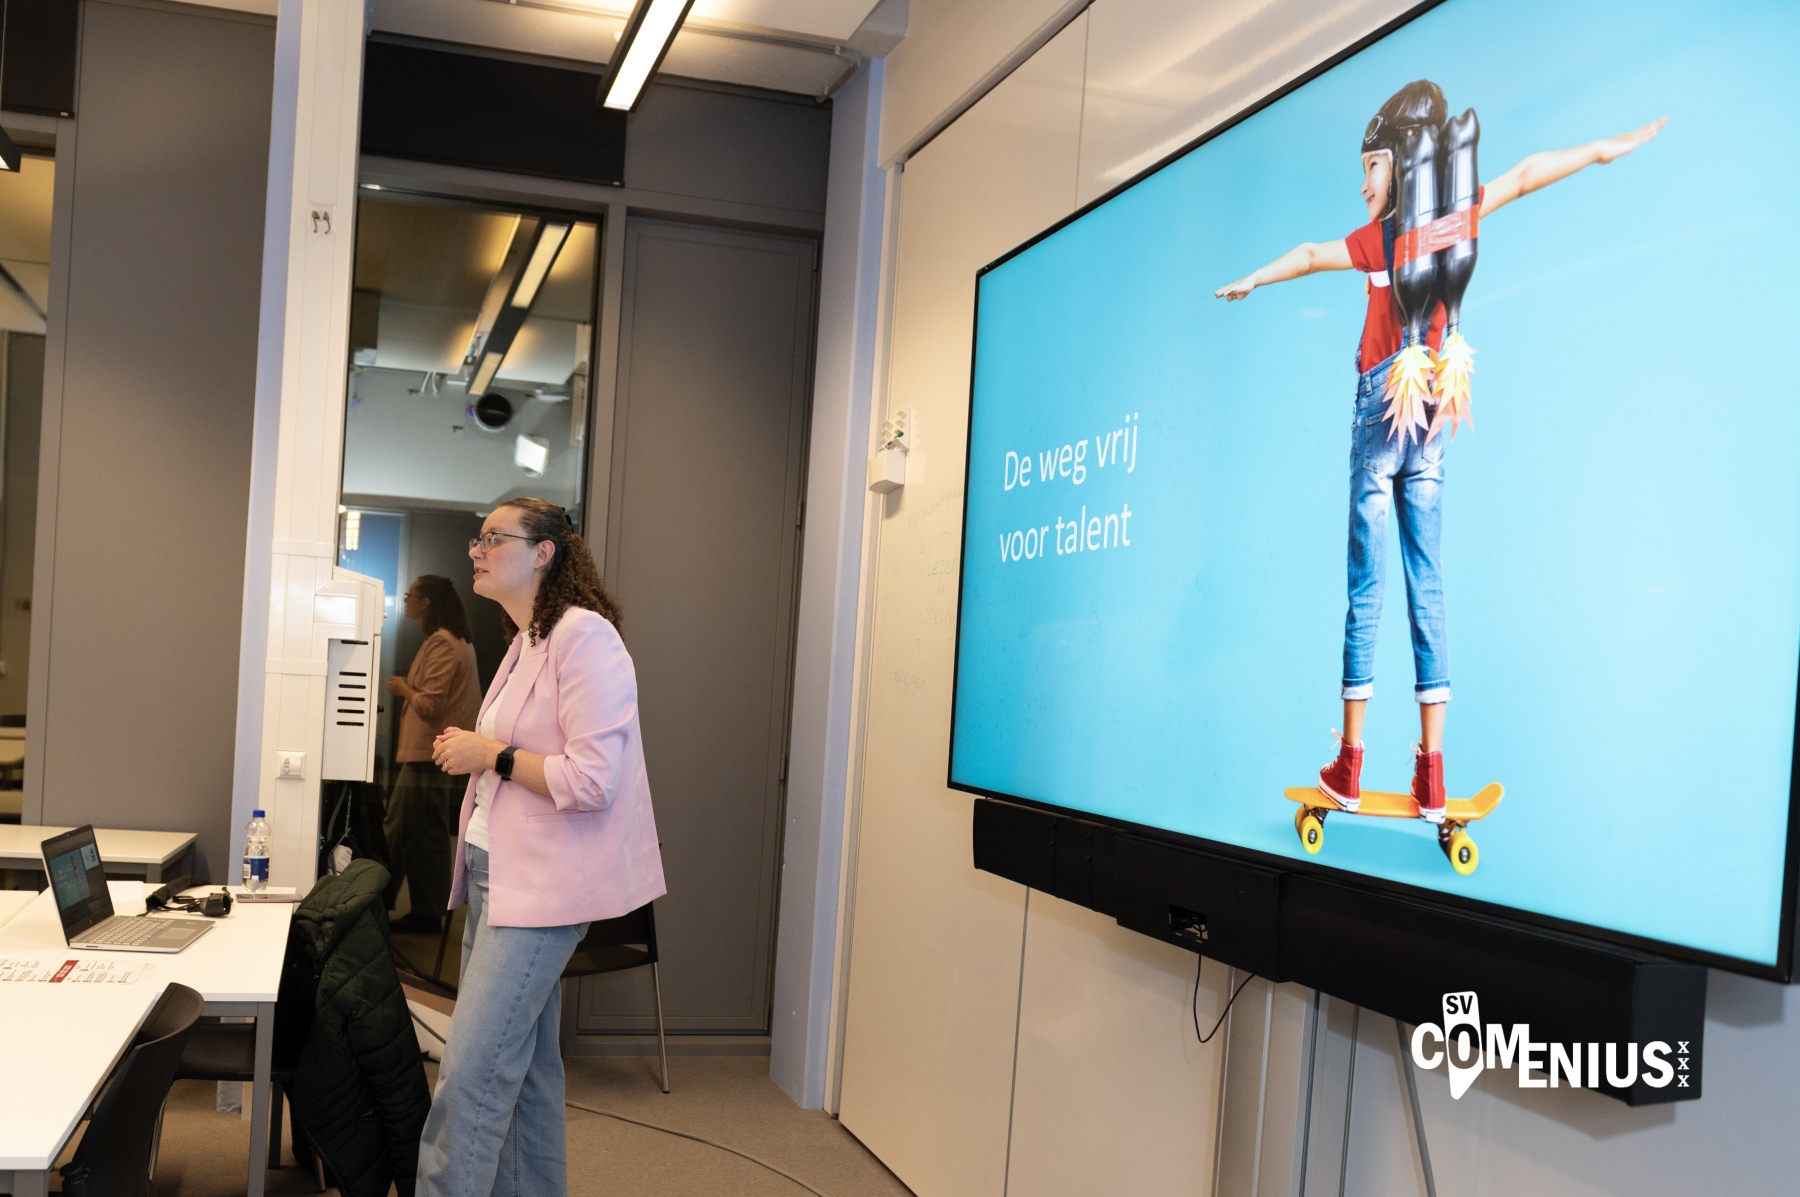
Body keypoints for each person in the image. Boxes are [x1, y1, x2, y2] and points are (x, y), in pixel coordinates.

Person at [1214, 81, 1662, 821]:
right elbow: (1525, 175)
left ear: (1400, 163)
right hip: (1432, 413)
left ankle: (1349, 766)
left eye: (1371, 167)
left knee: (1366, 586)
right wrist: (1599, 152)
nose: (1363, 184)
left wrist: (1257, 278)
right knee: (1428, 584)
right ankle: (1432, 776)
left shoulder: (1378, 242)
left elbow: (1310, 254)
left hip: (1379, 413)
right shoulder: (1456, 222)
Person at [417, 498, 666, 1197]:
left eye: (493, 538)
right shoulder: (528, 639)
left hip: (542, 891)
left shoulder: (586, 638)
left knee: (470, 1075)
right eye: (478, 539)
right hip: (496, 873)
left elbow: (592, 780)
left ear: (544, 553)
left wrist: (490, 754)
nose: (476, 550)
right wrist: (478, 751)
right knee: (523, 1073)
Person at [384, 575, 480, 934]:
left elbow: (430, 704)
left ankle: (422, 913)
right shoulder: (457, 641)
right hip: (433, 753)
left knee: (418, 833)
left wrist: (402, 688)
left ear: (425, 603)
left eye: (410, 595)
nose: (406, 600)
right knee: (414, 830)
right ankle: (416, 910)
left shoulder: (442, 642)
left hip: (430, 753)